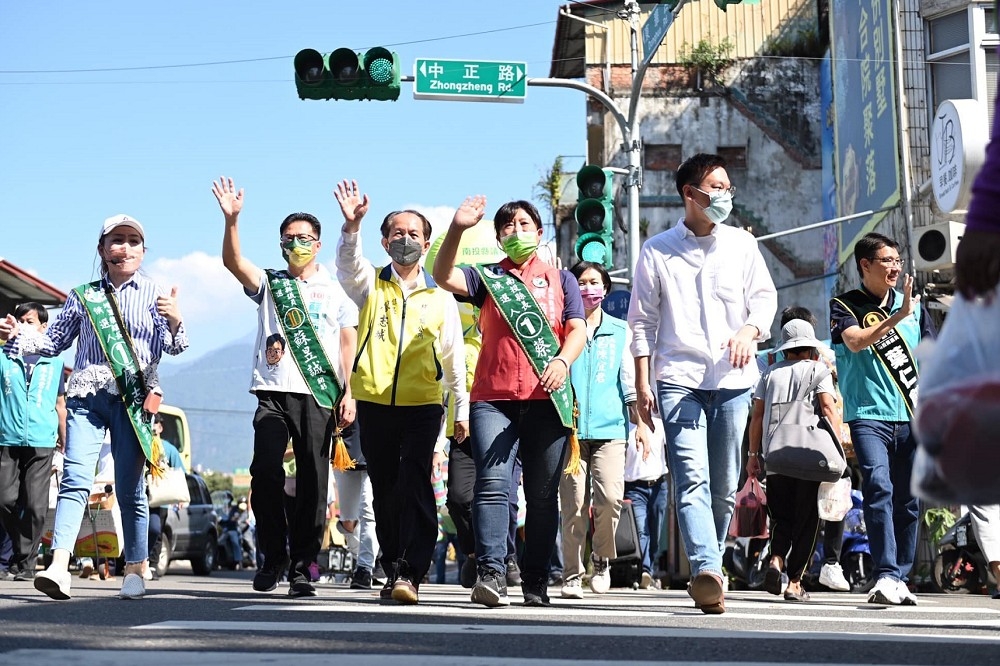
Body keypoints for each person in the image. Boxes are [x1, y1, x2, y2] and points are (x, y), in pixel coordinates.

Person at [0, 214, 187, 600]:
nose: (124, 248)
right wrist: (19, 334)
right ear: (102, 250)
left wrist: (175, 319)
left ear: (143, 250)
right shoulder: (83, 295)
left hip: (132, 399)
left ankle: (134, 567)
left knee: (130, 488)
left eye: (133, 241)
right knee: (74, 480)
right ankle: (58, 564)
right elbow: (53, 343)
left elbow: (173, 347)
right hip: (86, 396)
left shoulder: (155, 292)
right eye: (116, 240)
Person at [628, 153, 777, 614]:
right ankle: (707, 568)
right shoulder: (657, 250)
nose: (725, 195)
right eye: (717, 186)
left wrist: (749, 332)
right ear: (690, 193)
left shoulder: (742, 246)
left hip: (733, 380)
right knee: (690, 477)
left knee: (723, 486)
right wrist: (641, 385)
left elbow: (764, 300)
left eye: (729, 187)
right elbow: (640, 322)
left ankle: (709, 567)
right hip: (679, 380)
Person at [433, 195, 587, 608]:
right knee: (493, 485)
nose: (516, 232)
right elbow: (442, 274)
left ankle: (535, 579)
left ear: (539, 234)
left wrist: (561, 360)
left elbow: (577, 330)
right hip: (493, 399)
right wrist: (458, 227)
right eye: (507, 227)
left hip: (547, 399)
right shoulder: (488, 279)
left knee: (541, 494)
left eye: (524, 225)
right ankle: (491, 573)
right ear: (500, 239)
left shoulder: (562, 280)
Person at [213, 176, 358, 599]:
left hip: (319, 395)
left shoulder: (336, 290)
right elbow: (233, 261)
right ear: (280, 244)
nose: (296, 243)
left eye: (304, 237)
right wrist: (232, 220)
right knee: (264, 474)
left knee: (314, 482)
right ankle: (273, 556)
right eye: (289, 238)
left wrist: (348, 392)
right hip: (272, 393)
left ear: (317, 242)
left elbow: (347, 345)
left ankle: (302, 565)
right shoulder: (271, 284)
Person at [334, 179, 468, 605]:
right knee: (386, 486)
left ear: (427, 243)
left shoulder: (440, 295)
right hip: (374, 400)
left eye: (414, 234)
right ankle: (393, 570)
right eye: (397, 233)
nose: (405, 240)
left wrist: (460, 410)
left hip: (423, 404)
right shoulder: (370, 284)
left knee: (415, 482)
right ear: (385, 240)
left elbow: (453, 357)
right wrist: (351, 227)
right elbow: (346, 266)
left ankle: (413, 569)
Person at [830, 232, 936, 605]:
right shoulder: (843, 304)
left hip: (910, 416)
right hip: (867, 415)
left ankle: (901, 576)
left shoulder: (915, 307)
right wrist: (898, 317)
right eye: (887, 261)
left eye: (897, 261)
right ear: (865, 265)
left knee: (908, 500)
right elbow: (855, 341)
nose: (895, 267)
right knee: (878, 486)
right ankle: (885, 573)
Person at [747, 319, 846, 603]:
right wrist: (837, 445)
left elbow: (756, 417)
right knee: (807, 521)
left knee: (781, 518)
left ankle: (776, 559)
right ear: (810, 347)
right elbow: (828, 407)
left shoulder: (769, 375)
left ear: (786, 348)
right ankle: (793, 582)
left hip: (776, 457)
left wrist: (754, 456)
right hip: (810, 459)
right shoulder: (818, 370)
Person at [559, 262, 636, 599]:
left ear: (605, 288)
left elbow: (630, 380)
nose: (588, 288)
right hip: (570, 431)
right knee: (573, 504)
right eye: (581, 282)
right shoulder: (561, 328)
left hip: (611, 429)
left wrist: (642, 424)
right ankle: (572, 575)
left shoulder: (621, 330)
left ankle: (602, 559)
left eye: (594, 282)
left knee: (608, 499)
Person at [0, 302, 67, 582]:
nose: (24, 326)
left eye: (30, 322)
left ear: (43, 327)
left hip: (42, 440)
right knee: (5, 499)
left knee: (37, 506)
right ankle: (19, 551)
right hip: (7, 437)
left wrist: (66, 440)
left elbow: (60, 403)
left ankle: (26, 563)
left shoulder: (55, 360)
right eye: (20, 321)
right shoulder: (3, 356)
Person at [331, 423, 381, 590]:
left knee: (368, 508)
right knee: (348, 520)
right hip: (343, 443)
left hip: (374, 440)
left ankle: (364, 567)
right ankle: (365, 558)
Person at [624, 410, 668, 591]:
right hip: (635, 488)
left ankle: (650, 569)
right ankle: (645, 570)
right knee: (642, 530)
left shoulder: (659, 425)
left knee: (655, 531)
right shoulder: (626, 427)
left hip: (659, 485)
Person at [146, 413, 184, 579]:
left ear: (160, 427)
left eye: (156, 424)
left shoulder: (169, 449)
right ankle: (138, 561)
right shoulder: (142, 444)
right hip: (141, 495)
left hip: (160, 497)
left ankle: (153, 565)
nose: (153, 427)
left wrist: (181, 497)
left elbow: (179, 472)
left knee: (156, 529)